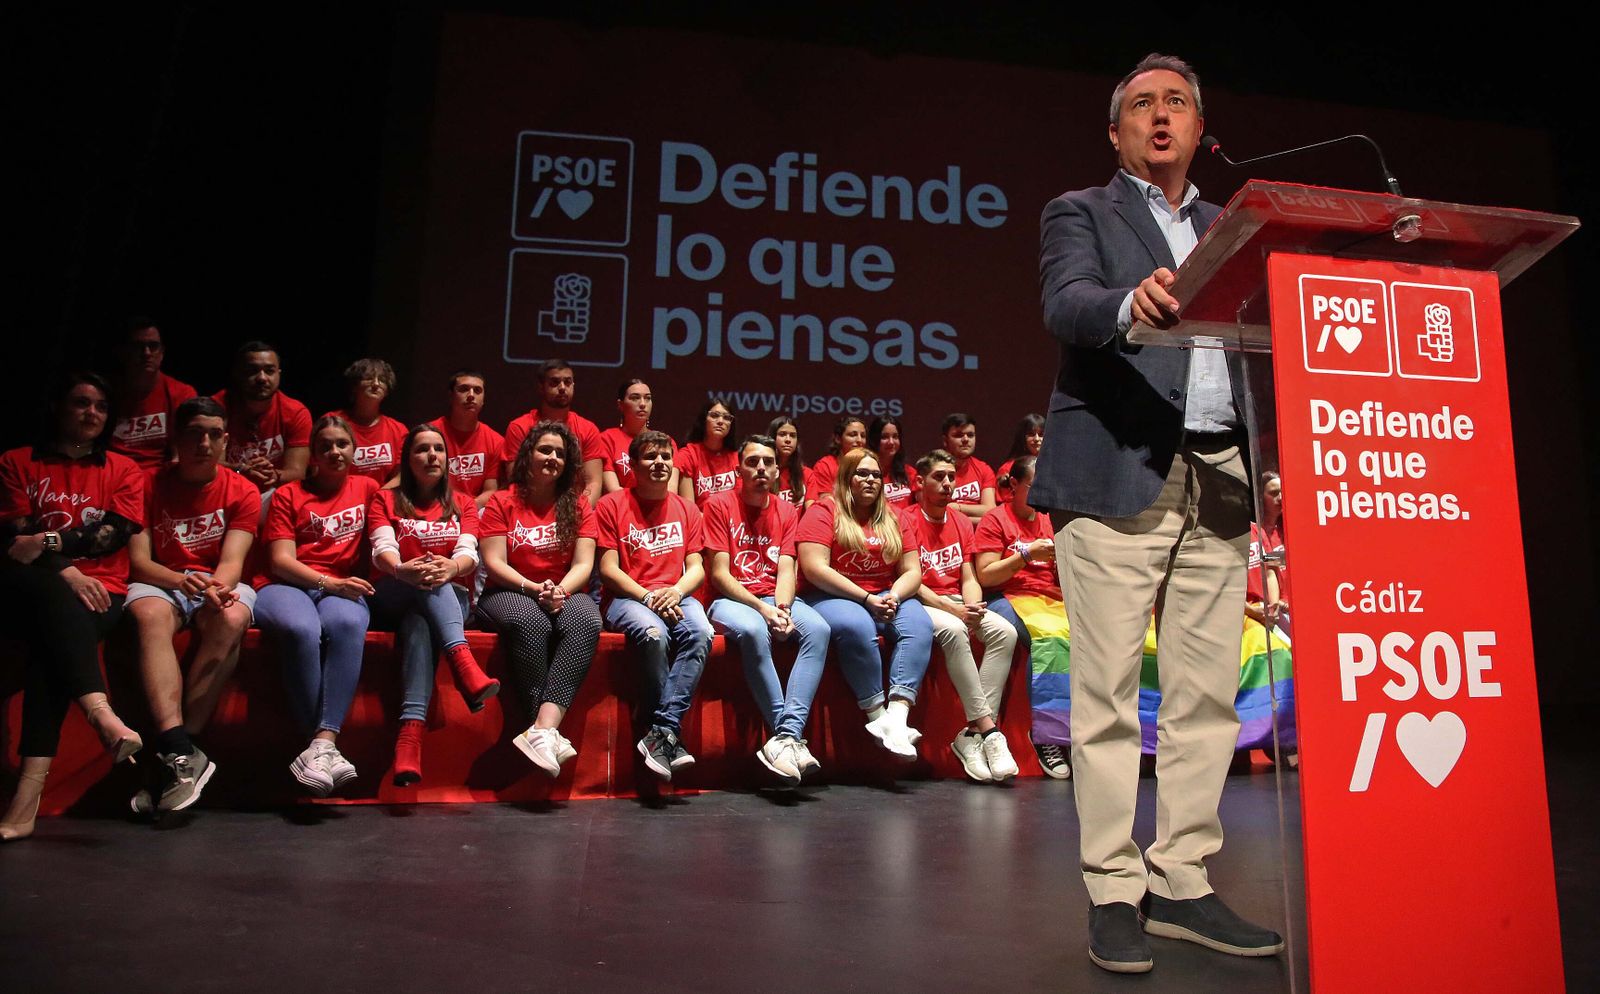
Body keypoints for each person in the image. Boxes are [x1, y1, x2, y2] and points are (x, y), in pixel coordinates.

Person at [1035, 53, 1281, 971]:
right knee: (1103, 701)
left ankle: (1184, 879)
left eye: (1178, 101)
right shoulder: (1082, 211)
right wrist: (1125, 305)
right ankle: (1113, 885)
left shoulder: (1233, 224)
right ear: (1117, 131)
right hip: (1119, 470)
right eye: (1143, 104)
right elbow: (1067, 303)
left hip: (1219, 471)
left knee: (1206, 696)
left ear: (1199, 123)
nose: (1161, 115)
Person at [0, 372, 145, 841]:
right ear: (58, 407)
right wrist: (67, 569)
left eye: (101, 406)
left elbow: (112, 533)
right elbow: (15, 537)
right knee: (52, 598)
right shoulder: (16, 461)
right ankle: (102, 715)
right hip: (35, 587)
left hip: (105, 591)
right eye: (81, 403)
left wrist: (48, 542)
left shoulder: (124, 469)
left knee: (52, 648)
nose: (92, 414)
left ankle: (25, 800)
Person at [125, 396, 260, 815]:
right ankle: (178, 747)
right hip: (161, 580)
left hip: (216, 581)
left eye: (215, 434)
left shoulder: (243, 490)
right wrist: (180, 581)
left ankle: (178, 756)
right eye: (195, 433)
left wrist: (215, 589)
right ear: (176, 438)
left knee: (233, 615)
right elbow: (139, 561)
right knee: (147, 613)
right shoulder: (146, 483)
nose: (205, 442)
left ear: (225, 441)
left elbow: (232, 563)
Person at [252, 415, 379, 796]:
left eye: (342, 443)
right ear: (313, 454)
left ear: (354, 451)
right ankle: (323, 747)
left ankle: (322, 742)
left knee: (348, 625)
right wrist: (330, 583)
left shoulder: (368, 488)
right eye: (325, 445)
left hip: (340, 589)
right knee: (301, 629)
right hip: (285, 585)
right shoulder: (289, 494)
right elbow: (280, 561)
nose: (334, 451)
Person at [367, 425, 499, 787]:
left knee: (421, 622)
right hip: (394, 590)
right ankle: (463, 664)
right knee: (427, 584)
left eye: (438, 449)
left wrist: (450, 568)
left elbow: (468, 553)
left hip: (444, 596)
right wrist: (402, 569)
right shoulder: (385, 499)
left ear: (447, 458)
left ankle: (409, 740)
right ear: (408, 460)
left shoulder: (464, 502)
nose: (431, 456)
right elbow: (381, 549)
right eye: (422, 450)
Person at [476, 421, 602, 778]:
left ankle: (543, 728)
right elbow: (494, 562)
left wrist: (559, 590)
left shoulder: (576, 504)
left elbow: (584, 563)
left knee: (587, 619)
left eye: (561, 454)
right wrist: (533, 587)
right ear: (527, 455)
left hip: (560, 589)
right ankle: (541, 727)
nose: (553, 458)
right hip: (507, 590)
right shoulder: (503, 500)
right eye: (545, 450)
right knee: (529, 620)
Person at [703, 434, 830, 785]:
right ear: (738, 468)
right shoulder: (719, 504)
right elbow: (719, 574)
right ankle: (786, 735)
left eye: (768, 462)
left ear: (777, 470)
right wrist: (763, 609)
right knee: (755, 630)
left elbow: (787, 568)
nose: (761, 468)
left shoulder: (787, 509)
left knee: (818, 629)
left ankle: (786, 737)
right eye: (753, 462)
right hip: (732, 601)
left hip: (776, 598)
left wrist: (784, 608)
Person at [796, 448, 932, 758]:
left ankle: (896, 719)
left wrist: (894, 595)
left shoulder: (893, 516)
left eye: (875, 475)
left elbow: (913, 571)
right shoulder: (823, 511)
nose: (870, 480)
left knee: (919, 624)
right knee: (856, 626)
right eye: (862, 473)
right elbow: (814, 568)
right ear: (846, 478)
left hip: (885, 593)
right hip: (832, 595)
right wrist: (867, 598)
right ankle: (876, 717)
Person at [594, 430, 712, 781]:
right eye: (650, 457)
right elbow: (608, 569)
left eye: (665, 457)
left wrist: (674, 592)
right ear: (632, 464)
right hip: (629, 598)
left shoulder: (687, 509)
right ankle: (667, 734)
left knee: (701, 632)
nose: (659, 463)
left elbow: (697, 568)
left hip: (675, 594)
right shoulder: (611, 504)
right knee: (653, 632)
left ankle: (662, 730)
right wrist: (648, 597)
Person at [907, 449, 1019, 782]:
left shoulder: (960, 520)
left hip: (957, 601)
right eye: (938, 477)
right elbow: (911, 580)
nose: (946, 484)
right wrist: (953, 610)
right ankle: (990, 731)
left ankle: (971, 735)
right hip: (922, 602)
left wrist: (972, 607)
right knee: (955, 630)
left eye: (951, 477)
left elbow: (969, 575)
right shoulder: (907, 519)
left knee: (1005, 632)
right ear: (920, 481)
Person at [973, 456, 1071, 780]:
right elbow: (986, 576)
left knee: (1081, 636)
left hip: (1046, 599)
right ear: (1013, 485)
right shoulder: (995, 519)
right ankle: (1045, 737)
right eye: (1034, 485)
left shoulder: (1047, 519)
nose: (1042, 492)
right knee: (1047, 641)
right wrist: (1025, 555)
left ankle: (1072, 734)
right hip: (1006, 597)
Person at [215, 341, 311, 495]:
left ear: (279, 373)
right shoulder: (216, 408)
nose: (261, 378)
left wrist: (273, 474)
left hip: (273, 489)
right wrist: (241, 470)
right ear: (238, 374)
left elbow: (297, 472)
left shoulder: (295, 412)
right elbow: (210, 465)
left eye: (269, 371)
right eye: (252, 371)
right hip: (227, 489)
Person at [503, 359, 604, 505]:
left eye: (568, 382)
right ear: (541, 387)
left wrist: (577, 515)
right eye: (554, 382)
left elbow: (593, 483)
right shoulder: (519, 427)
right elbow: (517, 480)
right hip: (531, 509)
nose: (562, 388)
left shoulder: (588, 429)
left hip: (574, 508)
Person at [107, 317, 198, 470]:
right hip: (112, 474)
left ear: (162, 352)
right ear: (123, 352)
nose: (146, 353)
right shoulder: (105, 391)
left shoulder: (181, 394)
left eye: (153, 346)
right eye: (138, 346)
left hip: (159, 479)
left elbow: (182, 452)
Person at [429, 369, 505, 508]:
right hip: (435, 507)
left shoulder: (496, 441)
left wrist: (467, 510)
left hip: (475, 510)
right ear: (451, 396)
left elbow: (490, 491)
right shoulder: (429, 434)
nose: (471, 395)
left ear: (483, 399)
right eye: (464, 389)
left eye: (477, 391)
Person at [328, 358, 407, 486]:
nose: (376, 384)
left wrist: (378, 499)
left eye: (382, 380)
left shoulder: (398, 430)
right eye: (369, 378)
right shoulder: (331, 422)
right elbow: (318, 469)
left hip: (379, 500)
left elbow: (400, 477)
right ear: (354, 386)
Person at [598, 378, 677, 493]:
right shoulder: (606, 439)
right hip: (622, 506)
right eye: (635, 398)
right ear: (620, 405)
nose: (643, 404)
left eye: (647, 398)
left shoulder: (665, 441)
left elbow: (671, 490)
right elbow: (612, 489)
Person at [675, 399, 739, 508]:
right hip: (701, 521)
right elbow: (690, 509)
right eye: (714, 415)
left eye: (726, 417)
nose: (720, 421)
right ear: (704, 419)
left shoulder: (737, 457)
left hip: (732, 522)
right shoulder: (688, 455)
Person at [939, 413, 996, 522]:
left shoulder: (984, 469)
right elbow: (936, 513)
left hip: (977, 535)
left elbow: (990, 510)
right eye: (958, 435)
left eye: (970, 435)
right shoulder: (934, 470)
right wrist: (978, 519)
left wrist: (956, 508)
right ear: (945, 441)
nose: (965, 439)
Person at [804, 415, 867, 504]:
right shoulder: (824, 466)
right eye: (853, 435)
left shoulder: (870, 465)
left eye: (863, 436)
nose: (859, 440)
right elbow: (826, 502)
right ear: (838, 439)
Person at [868, 415, 919, 511]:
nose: (891, 442)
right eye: (884, 437)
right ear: (874, 440)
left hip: (906, 524)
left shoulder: (910, 472)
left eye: (895, 437)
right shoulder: (867, 474)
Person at [994, 413, 1045, 505]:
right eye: (1031, 434)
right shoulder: (1007, 468)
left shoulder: (1053, 466)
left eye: (1041, 434)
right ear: (1022, 438)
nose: (1037, 439)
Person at [766, 415, 807, 508]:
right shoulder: (763, 473)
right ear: (772, 438)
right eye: (782, 434)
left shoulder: (807, 474)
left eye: (793, 436)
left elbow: (812, 509)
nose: (788, 440)